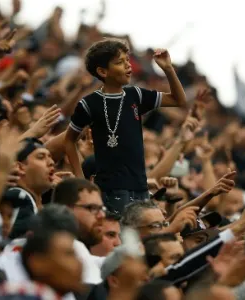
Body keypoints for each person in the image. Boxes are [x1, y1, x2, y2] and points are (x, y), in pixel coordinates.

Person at [64, 38, 187, 214]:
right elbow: (69, 141)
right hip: (111, 191)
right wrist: (81, 181)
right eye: (119, 62)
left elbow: (178, 100)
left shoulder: (135, 94)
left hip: (141, 187)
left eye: (127, 60)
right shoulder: (89, 104)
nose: (128, 66)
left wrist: (168, 69)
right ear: (102, 71)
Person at [51, 178, 107, 285]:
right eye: (92, 208)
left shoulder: (77, 248)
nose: (101, 215)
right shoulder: (64, 248)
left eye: (101, 209)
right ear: (66, 211)